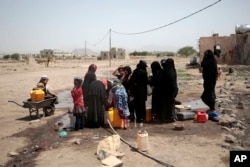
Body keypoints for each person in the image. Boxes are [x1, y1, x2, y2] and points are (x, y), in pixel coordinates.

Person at [161, 58, 178, 122]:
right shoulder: (172, 69)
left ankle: (168, 117)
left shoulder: (166, 70)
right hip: (173, 89)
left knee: (167, 104)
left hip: (167, 89)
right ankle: (172, 117)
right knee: (171, 103)